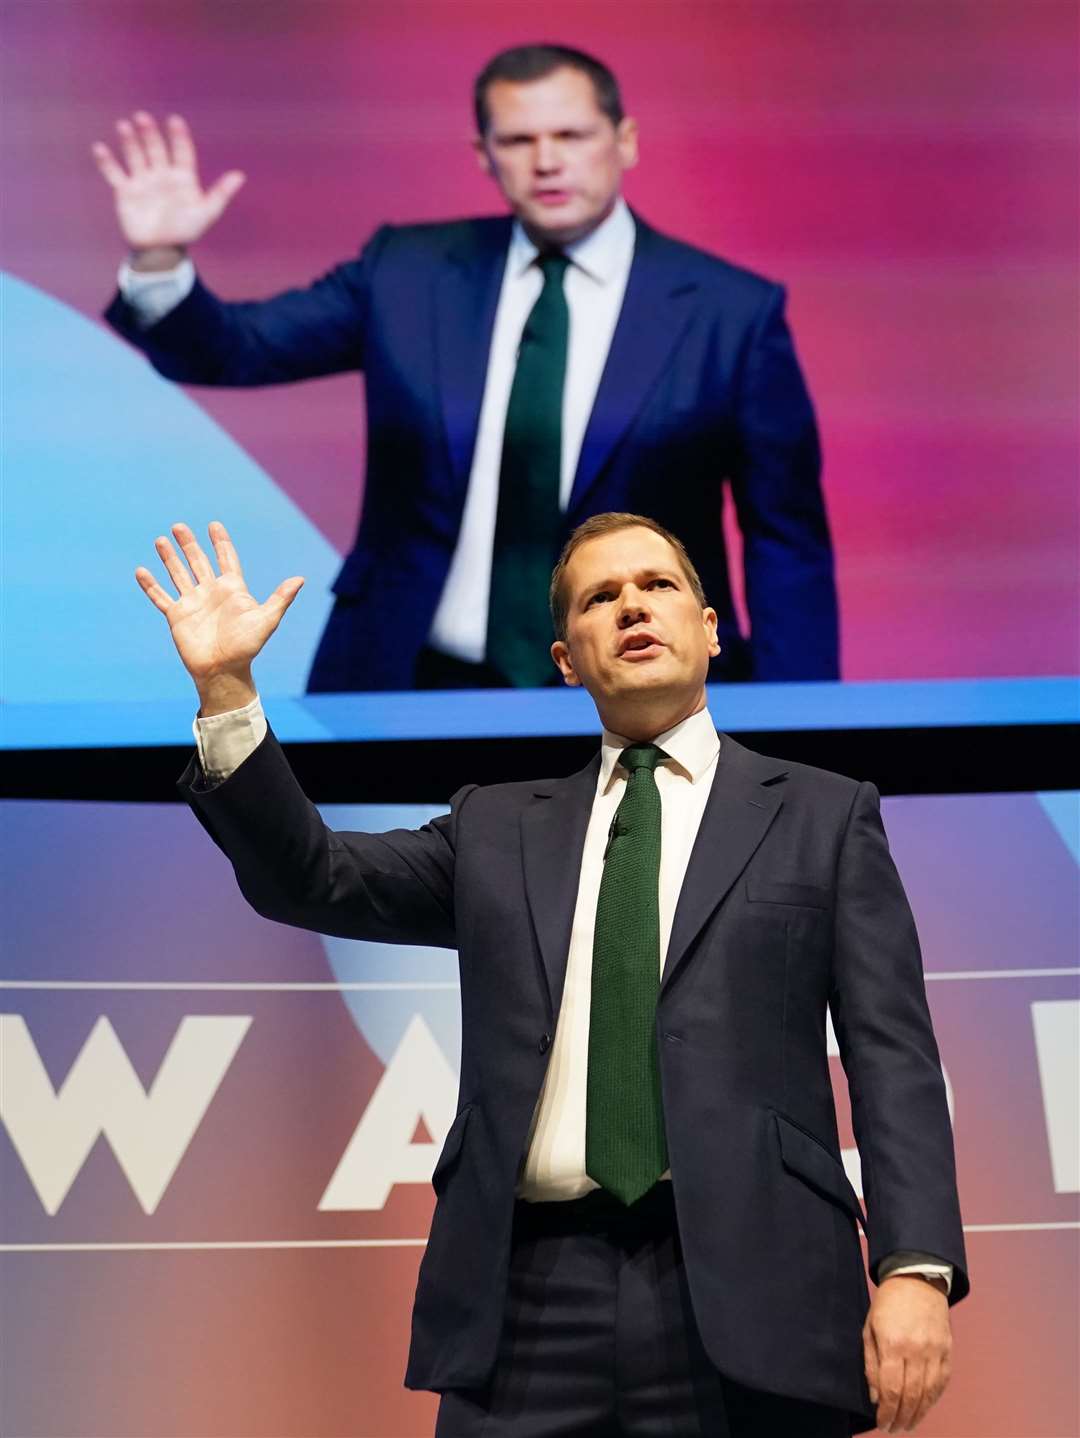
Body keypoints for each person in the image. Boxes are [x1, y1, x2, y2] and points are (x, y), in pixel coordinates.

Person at [135, 513, 966, 1437]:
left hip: (753, 1288)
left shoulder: (824, 815)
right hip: (526, 1306)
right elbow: (312, 876)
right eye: (600, 598)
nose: (632, 608)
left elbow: (894, 1061)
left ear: (711, 626)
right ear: (568, 659)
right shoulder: (497, 829)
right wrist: (227, 691)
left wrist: (915, 1267)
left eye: (656, 585)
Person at [99, 43, 839, 693]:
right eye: (518, 139)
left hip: (638, 689)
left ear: (625, 140)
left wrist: (802, 727)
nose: (547, 159)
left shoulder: (730, 312)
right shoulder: (406, 272)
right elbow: (236, 348)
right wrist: (161, 262)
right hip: (408, 683)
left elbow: (785, 540)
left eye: (572, 135)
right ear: (484, 155)